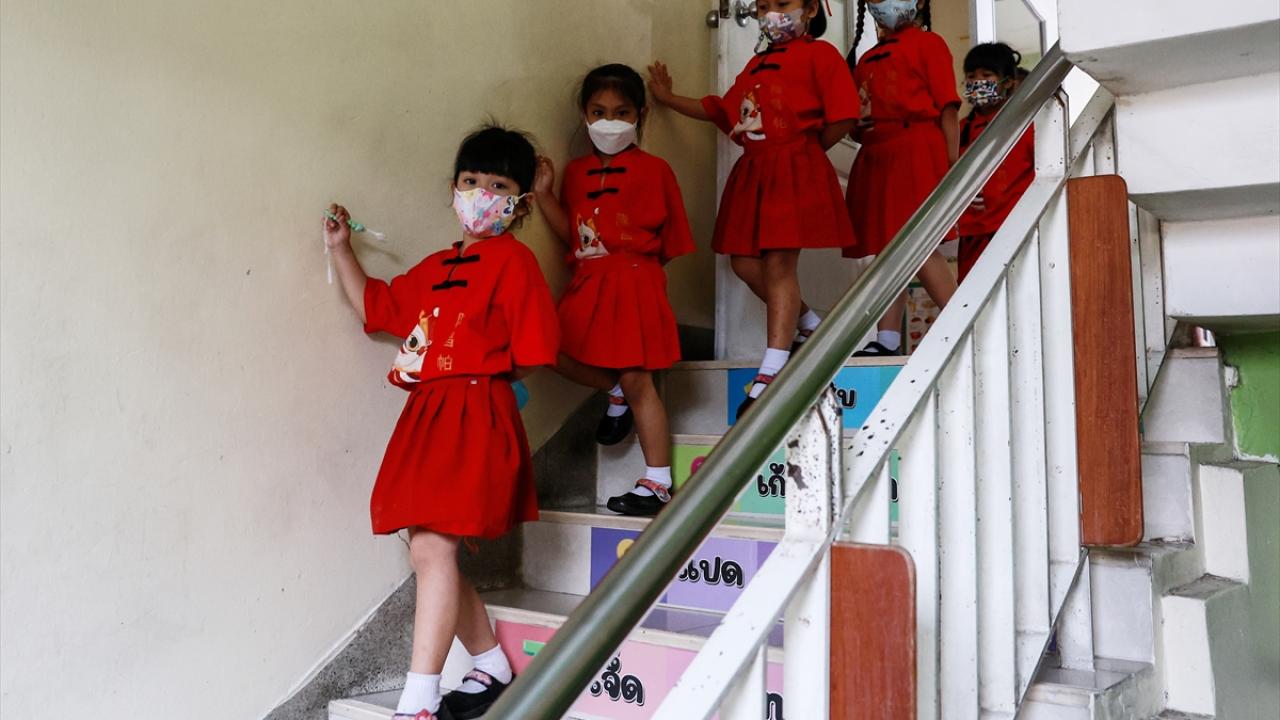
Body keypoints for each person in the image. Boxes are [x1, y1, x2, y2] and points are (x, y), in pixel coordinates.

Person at [324, 125, 559, 720]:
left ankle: (419, 703)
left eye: (497, 185)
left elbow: (536, 348)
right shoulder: (435, 267)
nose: (480, 194)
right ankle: (491, 663)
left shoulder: (517, 261)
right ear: (453, 188)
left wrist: (485, 379)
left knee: (432, 549)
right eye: (471, 180)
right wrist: (342, 250)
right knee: (427, 550)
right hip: (428, 415)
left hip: (476, 412)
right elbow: (378, 306)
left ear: (519, 202)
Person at [648, 0, 859, 417]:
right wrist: (668, 99)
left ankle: (772, 369)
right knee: (743, 262)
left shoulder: (821, 54)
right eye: (763, 6)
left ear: (810, 9)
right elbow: (720, 110)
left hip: (792, 168)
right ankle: (809, 324)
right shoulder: (756, 64)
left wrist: (805, 154)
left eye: (782, 3)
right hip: (756, 172)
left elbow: (845, 115)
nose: (771, 13)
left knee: (780, 264)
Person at [533, 64, 695, 516]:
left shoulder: (656, 170)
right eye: (599, 111)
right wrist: (545, 194)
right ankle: (614, 390)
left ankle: (658, 482)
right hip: (588, 281)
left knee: (639, 379)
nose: (609, 121)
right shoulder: (577, 172)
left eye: (621, 112)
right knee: (549, 347)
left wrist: (635, 275)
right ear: (584, 114)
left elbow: (672, 242)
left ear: (640, 114)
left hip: (636, 280)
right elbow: (575, 234)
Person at [844, 0, 959, 356]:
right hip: (877, 155)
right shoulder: (866, 59)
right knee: (886, 252)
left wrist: (952, 164)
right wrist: (856, 126)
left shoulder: (929, 43)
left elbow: (947, 108)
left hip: (916, 150)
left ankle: (963, 323)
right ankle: (887, 340)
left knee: (919, 245)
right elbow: (856, 123)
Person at [957, 43, 1034, 281]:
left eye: (987, 75)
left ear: (1008, 82)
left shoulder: (1026, 125)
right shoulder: (960, 130)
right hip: (972, 236)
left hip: (1014, 232)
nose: (977, 82)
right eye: (971, 76)